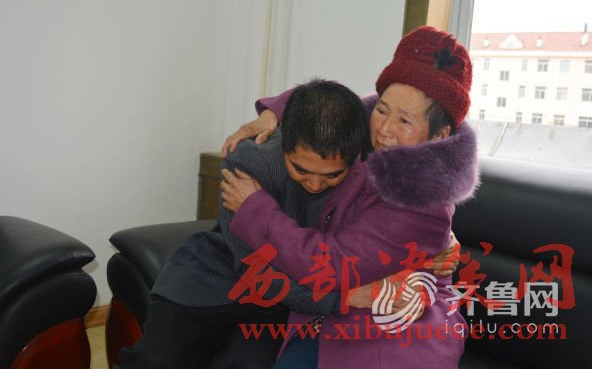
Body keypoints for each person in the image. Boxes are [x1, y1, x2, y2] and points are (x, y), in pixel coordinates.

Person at [118, 79, 455, 369]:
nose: (315, 185)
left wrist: (440, 240)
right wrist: (345, 299)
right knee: (156, 360)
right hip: (218, 275)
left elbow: (382, 229)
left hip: (279, 303)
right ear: (284, 140)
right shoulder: (249, 162)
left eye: (331, 176)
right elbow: (255, 271)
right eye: (300, 170)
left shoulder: (369, 164)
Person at [219, 25, 478, 368]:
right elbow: (329, 106)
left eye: (404, 121)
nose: (384, 129)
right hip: (331, 313)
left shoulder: (425, 201)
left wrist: (255, 210)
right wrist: (274, 112)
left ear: (440, 135)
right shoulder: (369, 129)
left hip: (389, 334)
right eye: (382, 110)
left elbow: (330, 264)